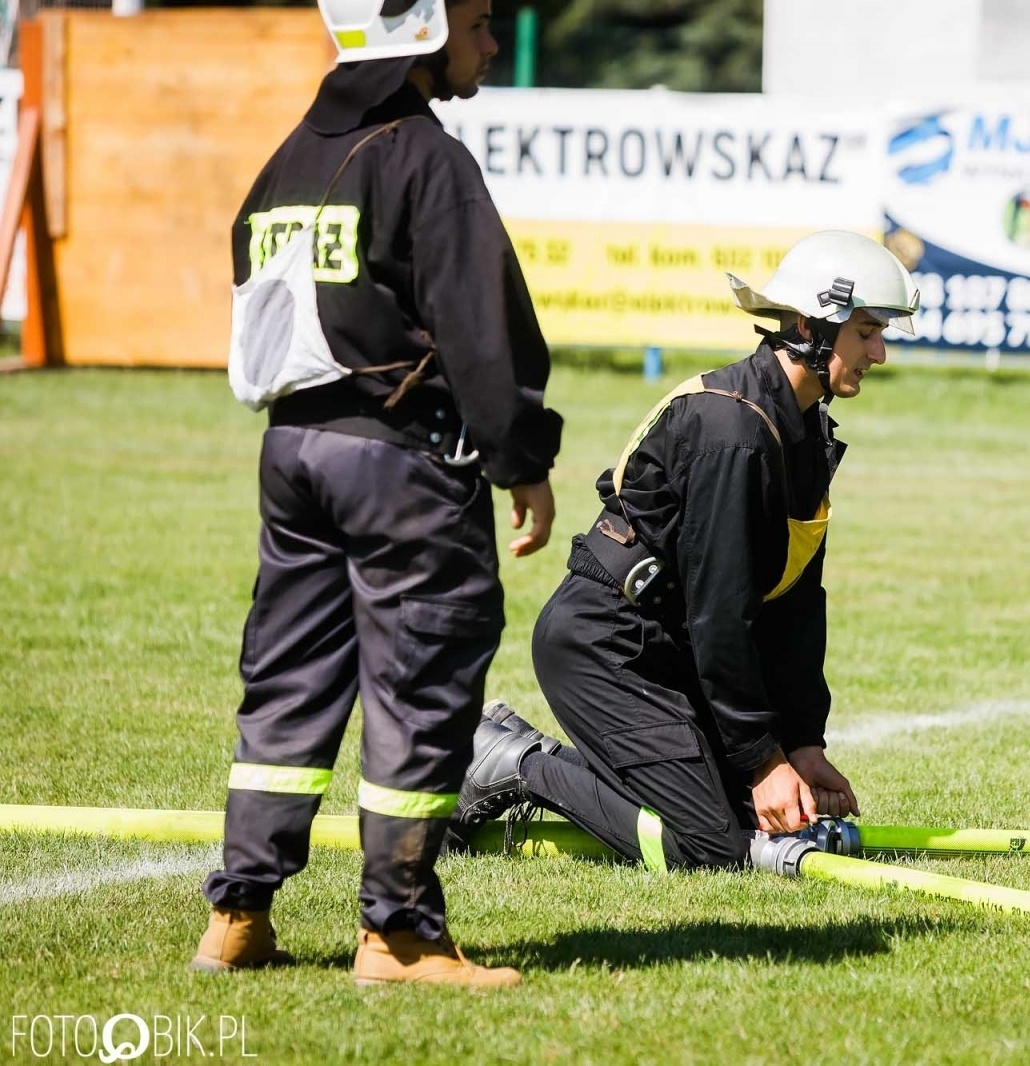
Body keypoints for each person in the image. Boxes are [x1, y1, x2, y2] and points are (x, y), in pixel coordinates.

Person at [192, 0, 561, 988]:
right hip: (398, 462)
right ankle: (396, 934)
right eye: (480, 23)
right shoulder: (425, 159)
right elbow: (482, 325)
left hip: (293, 454)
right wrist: (521, 455)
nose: (489, 43)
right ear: (425, 29)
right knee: (422, 683)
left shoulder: (286, 162)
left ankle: (237, 914)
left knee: (289, 685)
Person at [447, 231, 918, 876]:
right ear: (812, 324)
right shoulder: (734, 434)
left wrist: (801, 744)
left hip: (664, 650)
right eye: (866, 332)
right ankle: (517, 763)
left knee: (751, 817)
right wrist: (761, 759)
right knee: (713, 848)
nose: (881, 353)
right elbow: (721, 615)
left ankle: (585, 762)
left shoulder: (804, 428)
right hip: (606, 649)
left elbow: (796, 602)